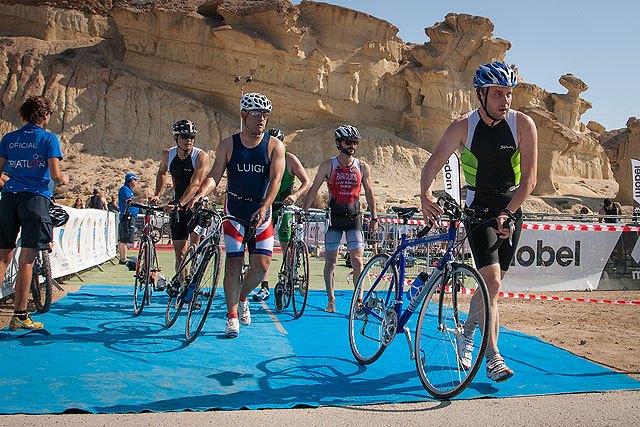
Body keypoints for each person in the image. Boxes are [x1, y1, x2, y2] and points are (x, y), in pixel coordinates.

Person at [420, 62, 538, 382]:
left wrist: (509, 212)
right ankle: (493, 356)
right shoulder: (462, 126)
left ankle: (467, 330)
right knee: (493, 281)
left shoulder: (523, 124)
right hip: (478, 208)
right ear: (481, 95)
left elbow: (529, 180)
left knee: (491, 288)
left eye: (509, 94)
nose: (505, 100)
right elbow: (433, 163)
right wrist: (425, 194)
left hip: (512, 206)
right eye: (498, 94)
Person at [190, 92, 285, 338]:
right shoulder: (228, 144)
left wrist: (265, 206)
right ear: (244, 115)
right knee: (232, 263)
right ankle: (232, 316)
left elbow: (275, 180)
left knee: (262, 267)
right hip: (234, 211)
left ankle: (243, 295)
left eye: (265, 115)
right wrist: (201, 193)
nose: (261, 119)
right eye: (256, 114)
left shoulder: (275, 145)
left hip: (261, 212)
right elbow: (215, 175)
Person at [0, 95, 69, 330]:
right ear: (45, 115)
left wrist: (9, 181)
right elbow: (55, 174)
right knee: (27, 259)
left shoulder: (9, 138)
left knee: (3, 256)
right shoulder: (48, 138)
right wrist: (64, 178)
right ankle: (20, 316)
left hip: (9, 197)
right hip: (35, 199)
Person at [302, 124, 378, 313]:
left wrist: (374, 218)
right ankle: (331, 300)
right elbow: (314, 188)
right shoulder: (328, 165)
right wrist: (304, 210)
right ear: (338, 143)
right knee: (331, 261)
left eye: (355, 143)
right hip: (334, 219)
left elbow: (369, 192)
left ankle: (358, 301)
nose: (352, 146)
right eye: (348, 142)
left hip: (354, 218)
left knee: (358, 261)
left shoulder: (362, 166)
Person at [252, 128, 311, 302]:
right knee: (264, 248)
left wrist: (295, 195)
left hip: (283, 207)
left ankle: (288, 274)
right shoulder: (262, 158)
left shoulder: (290, 159)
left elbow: (306, 181)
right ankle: (264, 286)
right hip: (267, 206)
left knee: (287, 245)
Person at [152, 119, 210, 273]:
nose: (188, 140)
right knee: (180, 253)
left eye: (191, 137)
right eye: (184, 137)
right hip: (178, 204)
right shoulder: (167, 154)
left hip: (196, 205)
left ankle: (193, 282)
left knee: (194, 249)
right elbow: (162, 172)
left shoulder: (201, 156)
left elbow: (196, 183)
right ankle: (181, 284)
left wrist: (180, 203)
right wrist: (157, 194)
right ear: (176, 138)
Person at [117, 172, 146, 264]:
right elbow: (129, 200)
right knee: (124, 238)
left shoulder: (128, 190)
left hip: (130, 215)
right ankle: (123, 259)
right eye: (135, 180)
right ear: (131, 181)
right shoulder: (125, 189)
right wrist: (142, 196)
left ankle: (123, 257)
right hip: (127, 216)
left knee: (125, 237)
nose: (135, 183)